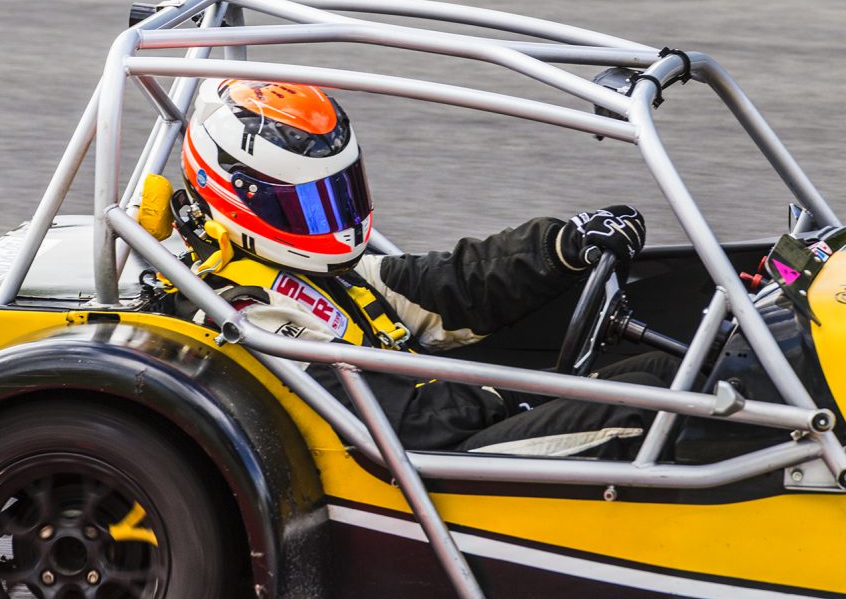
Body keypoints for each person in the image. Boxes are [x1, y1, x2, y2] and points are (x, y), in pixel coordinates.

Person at [167, 78, 676, 458]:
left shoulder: (317, 274)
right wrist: (510, 392)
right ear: (238, 199)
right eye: (314, 204)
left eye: (340, 191)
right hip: (415, 469)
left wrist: (560, 246)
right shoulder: (245, 316)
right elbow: (397, 421)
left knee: (666, 372)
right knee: (656, 411)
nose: (336, 217)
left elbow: (451, 286)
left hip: (446, 427)